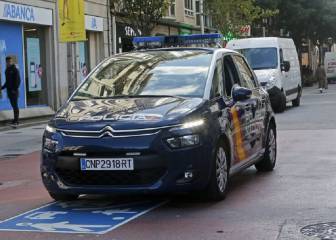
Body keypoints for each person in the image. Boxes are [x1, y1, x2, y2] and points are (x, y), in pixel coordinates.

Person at [1, 56, 21, 125]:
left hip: (14, 91)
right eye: (7, 62)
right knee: (13, 105)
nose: (8, 63)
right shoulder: (7, 70)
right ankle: (15, 119)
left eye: (10, 61)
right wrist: (2, 87)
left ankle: (17, 120)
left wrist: (14, 89)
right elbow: (7, 82)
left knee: (15, 105)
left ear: (12, 62)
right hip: (9, 91)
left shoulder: (15, 69)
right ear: (6, 62)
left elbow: (18, 81)